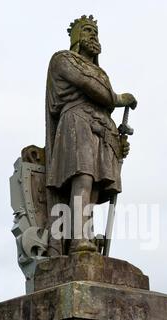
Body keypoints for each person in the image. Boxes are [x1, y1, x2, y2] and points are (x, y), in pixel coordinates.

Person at [45, 15, 137, 255]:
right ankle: (77, 240)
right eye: (87, 31)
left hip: (98, 128)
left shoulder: (100, 72)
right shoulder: (63, 60)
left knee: (95, 187)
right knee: (82, 178)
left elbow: (102, 102)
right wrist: (118, 98)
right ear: (76, 37)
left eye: (95, 32)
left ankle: (85, 236)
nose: (93, 36)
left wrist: (117, 141)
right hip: (76, 123)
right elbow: (97, 92)